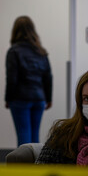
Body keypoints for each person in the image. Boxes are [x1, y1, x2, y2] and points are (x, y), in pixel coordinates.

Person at [5, 16, 53, 146]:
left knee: (23, 135)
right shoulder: (41, 52)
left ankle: (22, 166)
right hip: (39, 98)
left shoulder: (13, 51)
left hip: (20, 98)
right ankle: (35, 165)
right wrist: (48, 99)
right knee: (34, 136)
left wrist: (8, 99)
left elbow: (11, 78)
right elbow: (48, 77)